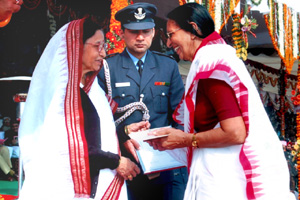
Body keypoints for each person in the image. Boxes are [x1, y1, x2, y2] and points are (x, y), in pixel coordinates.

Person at [148, 3, 292, 200]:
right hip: (218, 176)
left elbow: (235, 132)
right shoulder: (208, 60)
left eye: (171, 34)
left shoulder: (211, 63)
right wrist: (173, 139)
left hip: (225, 182)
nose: (169, 43)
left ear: (193, 29)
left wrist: (185, 140)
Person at [18, 14, 144, 199]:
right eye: (97, 46)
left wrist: (124, 131)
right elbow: (66, 148)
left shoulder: (92, 92)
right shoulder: (61, 98)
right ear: (76, 47)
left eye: (104, 47)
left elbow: (96, 134)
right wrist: (117, 162)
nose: (103, 54)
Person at [99, 3, 188, 200]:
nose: (140, 37)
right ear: (122, 33)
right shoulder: (107, 69)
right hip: (127, 167)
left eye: (146, 31)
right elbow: (101, 121)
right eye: (133, 31)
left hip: (166, 166)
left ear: (154, 32)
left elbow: (180, 116)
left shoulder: (168, 66)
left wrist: (169, 153)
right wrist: (122, 140)